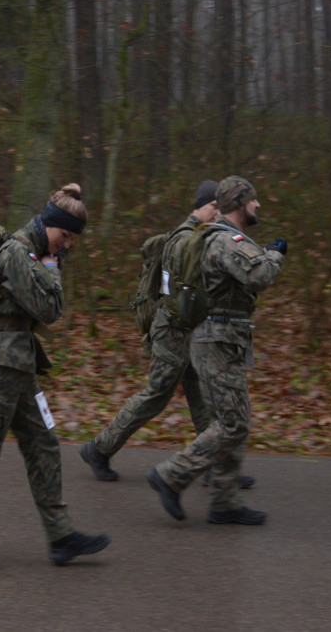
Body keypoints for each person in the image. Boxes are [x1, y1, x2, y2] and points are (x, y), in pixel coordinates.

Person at [0, 183, 110, 571]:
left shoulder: (31, 252)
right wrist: (52, 270)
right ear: (49, 224)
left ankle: (61, 535)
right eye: (64, 236)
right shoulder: (17, 253)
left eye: (71, 241)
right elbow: (49, 309)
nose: (65, 246)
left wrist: (49, 264)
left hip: (20, 366)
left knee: (44, 444)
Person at [79, 181, 255, 490]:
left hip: (192, 332)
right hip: (173, 333)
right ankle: (98, 449)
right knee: (155, 397)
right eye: (212, 206)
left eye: (220, 207)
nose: (217, 212)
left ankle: (217, 467)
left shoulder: (203, 238)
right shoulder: (185, 240)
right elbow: (185, 293)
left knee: (205, 402)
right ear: (198, 206)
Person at [146, 176, 286, 525]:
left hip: (220, 337)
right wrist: (276, 253)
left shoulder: (219, 238)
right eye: (254, 201)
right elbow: (261, 276)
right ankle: (172, 475)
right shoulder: (227, 239)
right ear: (240, 203)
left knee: (235, 419)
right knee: (232, 422)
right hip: (218, 339)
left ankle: (224, 502)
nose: (258, 206)